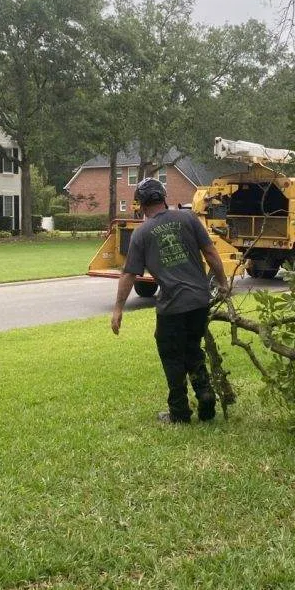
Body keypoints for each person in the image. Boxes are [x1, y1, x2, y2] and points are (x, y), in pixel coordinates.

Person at [111, 177, 230, 424]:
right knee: (192, 349)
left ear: (141, 205)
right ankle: (206, 397)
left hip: (172, 307)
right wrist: (222, 282)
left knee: (171, 355)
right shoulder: (188, 219)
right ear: (164, 198)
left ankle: (179, 412)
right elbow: (210, 252)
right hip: (199, 301)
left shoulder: (141, 234)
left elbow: (129, 274)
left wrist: (118, 308)